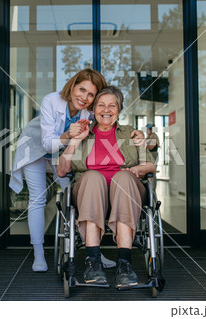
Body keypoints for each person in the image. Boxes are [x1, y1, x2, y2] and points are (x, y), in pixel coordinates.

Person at [9, 70, 145, 272]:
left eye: (91, 94)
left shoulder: (90, 112)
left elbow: (106, 125)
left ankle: (94, 251)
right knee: (37, 198)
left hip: (61, 155)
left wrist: (141, 137)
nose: (84, 97)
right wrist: (66, 135)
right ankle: (38, 255)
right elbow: (47, 144)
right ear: (72, 86)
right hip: (36, 149)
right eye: (82, 89)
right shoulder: (51, 101)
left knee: (76, 197)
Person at [57, 86, 156, 288]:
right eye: (101, 105)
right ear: (93, 110)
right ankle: (93, 261)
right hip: (89, 193)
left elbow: (150, 165)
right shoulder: (83, 132)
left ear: (119, 110)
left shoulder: (130, 133)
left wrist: (135, 169)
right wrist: (75, 141)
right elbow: (61, 170)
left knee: (123, 177)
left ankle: (124, 264)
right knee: (92, 177)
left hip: (126, 191)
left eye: (112, 105)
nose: (106, 109)